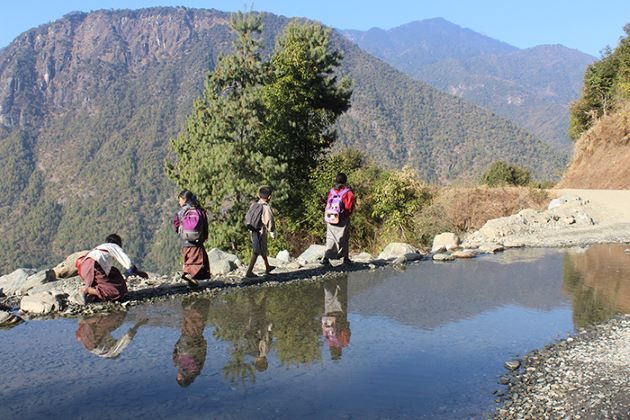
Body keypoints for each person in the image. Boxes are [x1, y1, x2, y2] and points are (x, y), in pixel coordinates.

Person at [77, 233, 148, 302]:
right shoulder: (114, 247)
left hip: (84, 268)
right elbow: (128, 263)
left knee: (114, 272)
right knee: (115, 292)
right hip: (94, 266)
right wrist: (138, 272)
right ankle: (86, 290)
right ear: (118, 243)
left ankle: (94, 294)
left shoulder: (101, 247)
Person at [173, 190, 210, 286]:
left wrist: (181, 233)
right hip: (197, 242)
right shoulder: (199, 210)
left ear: (184, 199)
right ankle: (188, 276)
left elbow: (176, 224)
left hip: (185, 242)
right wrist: (205, 236)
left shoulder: (181, 212)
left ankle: (192, 283)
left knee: (190, 260)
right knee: (197, 262)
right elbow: (205, 225)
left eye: (180, 200)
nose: (179, 202)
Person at [76, 311, 148, 358]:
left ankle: (95, 317)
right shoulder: (101, 352)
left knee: (120, 316)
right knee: (117, 323)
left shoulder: (113, 352)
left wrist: (139, 324)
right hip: (85, 334)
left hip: (93, 337)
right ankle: (85, 318)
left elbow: (127, 337)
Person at [173, 297, 210, 387]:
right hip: (189, 343)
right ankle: (193, 306)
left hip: (193, 341)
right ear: (181, 378)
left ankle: (197, 305)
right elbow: (183, 354)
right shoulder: (188, 369)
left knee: (195, 324)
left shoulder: (194, 371)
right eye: (178, 378)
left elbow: (202, 355)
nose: (177, 375)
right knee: (192, 324)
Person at [321, 172, 356, 266]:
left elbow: (328, 202)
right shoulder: (348, 192)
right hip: (343, 218)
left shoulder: (332, 191)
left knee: (330, 237)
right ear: (345, 181)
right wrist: (347, 214)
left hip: (331, 217)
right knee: (344, 237)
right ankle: (345, 258)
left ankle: (326, 258)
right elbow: (349, 206)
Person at [245, 186, 276, 278]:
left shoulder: (254, 204)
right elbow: (269, 220)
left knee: (262, 249)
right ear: (269, 197)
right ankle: (249, 272)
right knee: (256, 251)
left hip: (252, 230)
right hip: (260, 231)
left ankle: (267, 266)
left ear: (259, 195)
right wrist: (272, 231)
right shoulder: (266, 207)